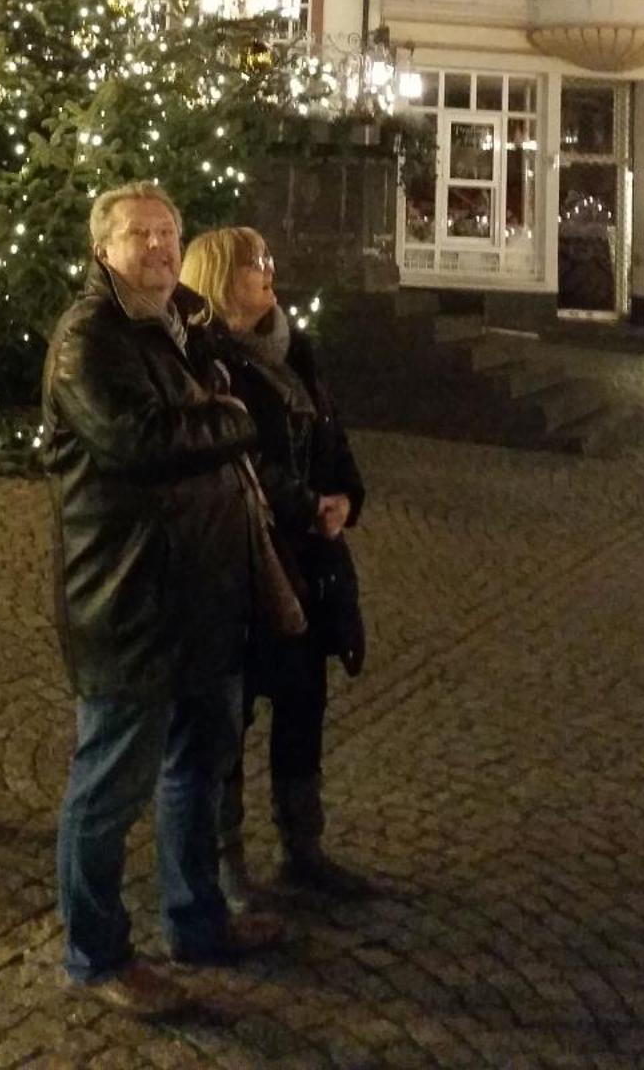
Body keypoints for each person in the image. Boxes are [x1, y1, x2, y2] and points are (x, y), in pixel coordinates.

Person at [43, 182, 284, 1015]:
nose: (155, 245)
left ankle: (196, 920)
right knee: (108, 785)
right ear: (102, 249)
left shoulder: (186, 321)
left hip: (204, 590)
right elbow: (137, 441)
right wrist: (232, 417)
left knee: (198, 766)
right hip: (128, 594)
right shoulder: (88, 337)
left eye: (167, 231)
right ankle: (96, 954)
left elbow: (245, 395)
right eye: (138, 234)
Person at [179, 225, 369, 901]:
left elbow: (330, 431)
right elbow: (239, 453)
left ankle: (303, 845)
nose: (269, 271)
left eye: (266, 260)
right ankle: (226, 861)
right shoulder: (206, 360)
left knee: (302, 703)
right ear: (222, 277)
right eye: (254, 263)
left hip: (310, 561)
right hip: (245, 562)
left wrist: (344, 493)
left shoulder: (297, 350)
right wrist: (302, 504)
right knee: (231, 715)